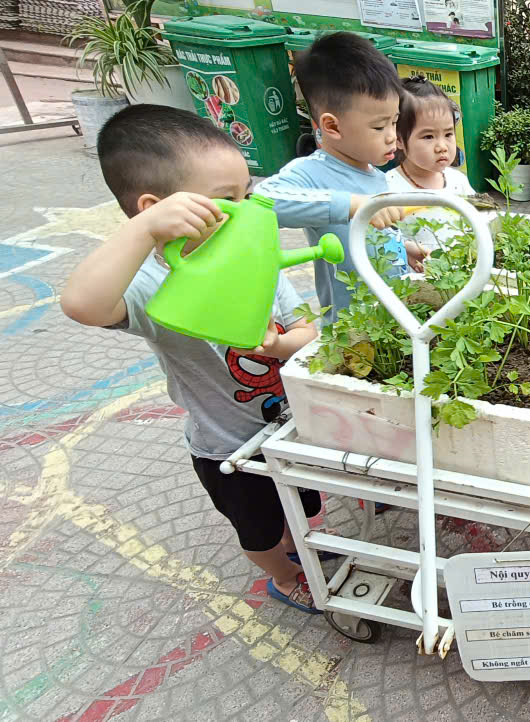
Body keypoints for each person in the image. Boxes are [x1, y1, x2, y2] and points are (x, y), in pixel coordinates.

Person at [59, 104, 330, 615]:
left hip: (290, 428)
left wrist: (277, 346)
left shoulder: (255, 262)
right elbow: (82, 305)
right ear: (158, 208)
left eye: (246, 194)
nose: (245, 210)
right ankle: (282, 574)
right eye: (227, 200)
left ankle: (300, 543)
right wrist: (143, 232)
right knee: (258, 528)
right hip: (227, 444)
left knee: (303, 503)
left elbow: (306, 331)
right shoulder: (149, 285)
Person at [256, 32, 409, 323]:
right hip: (350, 330)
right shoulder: (312, 172)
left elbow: (370, 236)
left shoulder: (376, 175)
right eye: (379, 127)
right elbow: (264, 199)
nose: (392, 136)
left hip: (391, 319)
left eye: (394, 121)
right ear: (332, 126)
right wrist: (353, 205)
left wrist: (403, 250)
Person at [386, 74, 477, 254]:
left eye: (448, 134)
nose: (442, 146)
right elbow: (380, 240)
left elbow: (479, 221)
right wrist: (405, 248)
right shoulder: (389, 188)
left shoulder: (458, 181)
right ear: (399, 140)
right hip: (416, 271)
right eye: (428, 137)